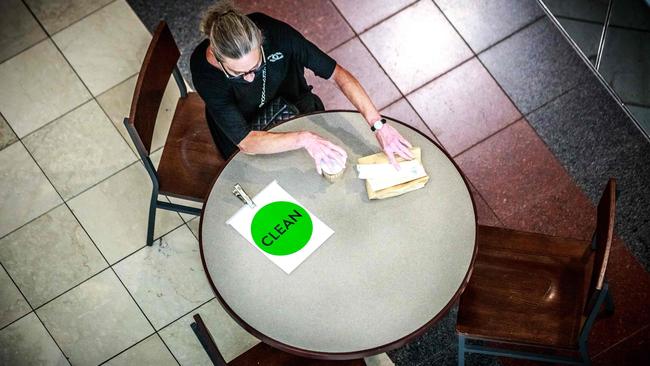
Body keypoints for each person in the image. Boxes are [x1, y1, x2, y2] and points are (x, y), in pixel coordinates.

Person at [191, 0, 413, 174]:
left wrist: (378, 126)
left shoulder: (279, 36)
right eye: (238, 74)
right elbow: (247, 142)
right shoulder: (204, 71)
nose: (250, 78)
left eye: (256, 67)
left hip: (294, 104)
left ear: (261, 40)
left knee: (330, 159)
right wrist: (305, 139)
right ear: (216, 56)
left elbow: (338, 74)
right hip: (248, 129)